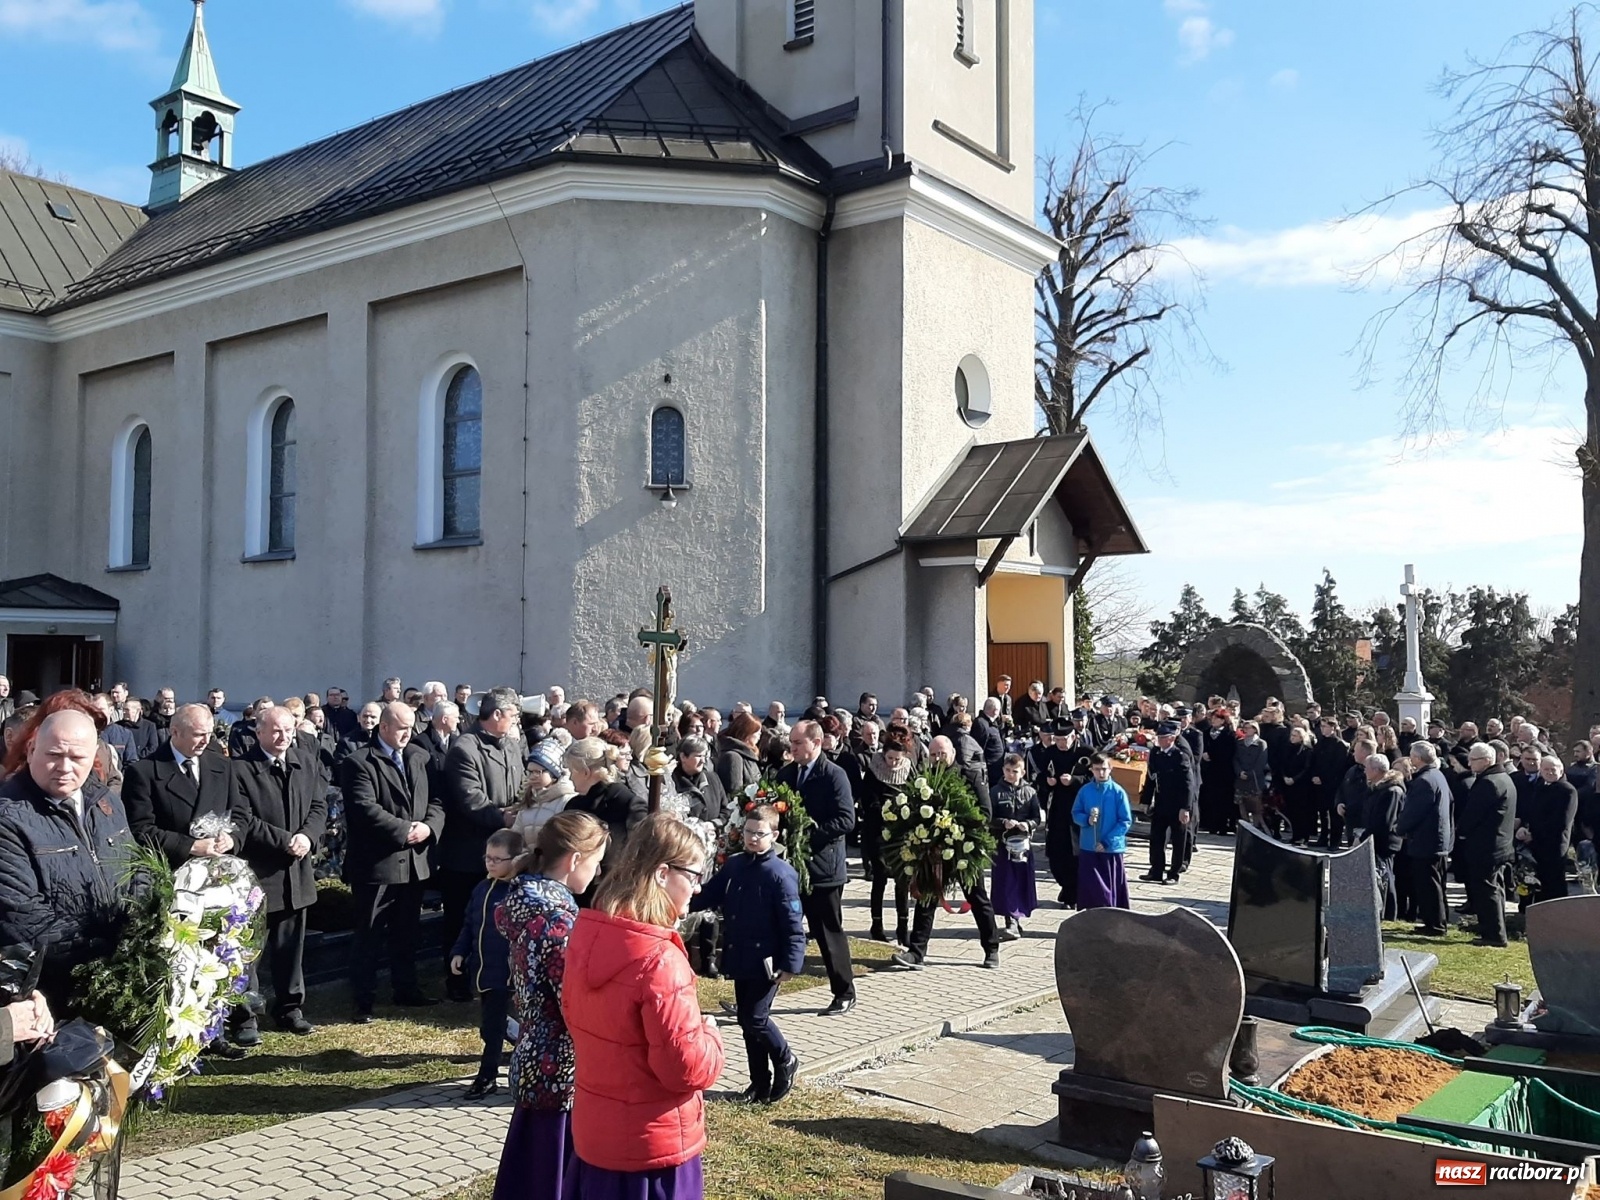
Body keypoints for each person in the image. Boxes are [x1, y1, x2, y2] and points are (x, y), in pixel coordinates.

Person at [561, 814, 725, 1199]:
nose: (698, 889)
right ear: (662, 873)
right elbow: (683, 1068)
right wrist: (711, 1038)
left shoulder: (587, 935)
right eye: (694, 876)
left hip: (594, 1136)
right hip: (653, 1149)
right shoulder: (660, 961)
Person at [493, 811, 609, 1200]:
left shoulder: (524, 904)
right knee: (554, 1173)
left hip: (532, 1050)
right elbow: (573, 1000)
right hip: (562, 1064)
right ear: (576, 859)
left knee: (528, 1169)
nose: (595, 874)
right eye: (595, 863)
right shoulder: (559, 922)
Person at [0, 708, 137, 1002]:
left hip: (121, 981)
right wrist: (107, 951)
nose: (64, 767)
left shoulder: (107, 804)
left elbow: (136, 869)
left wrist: (144, 932)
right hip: (50, 994)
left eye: (77, 758)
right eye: (53, 755)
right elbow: (22, 917)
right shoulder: (7, 818)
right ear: (32, 749)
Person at [690, 804, 805, 1105]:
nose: (753, 839)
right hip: (740, 955)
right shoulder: (736, 865)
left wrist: (791, 962)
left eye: (760, 834)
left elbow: (793, 923)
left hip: (767, 960)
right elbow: (710, 893)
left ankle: (786, 1059)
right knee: (746, 1021)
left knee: (756, 1019)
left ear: (774, 835)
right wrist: (678, 895)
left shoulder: (781, 874)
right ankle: (758, 1084)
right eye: (749, 832)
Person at [230, 706, 328, 1041]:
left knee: (291, 947)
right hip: (260, 871)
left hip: (295, 871)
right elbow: (243, 818)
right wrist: (286, 840)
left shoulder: (306, 761)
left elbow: (318, 806)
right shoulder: (241, 770)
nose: (283, 736)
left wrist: (307, 836)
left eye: (288, 730)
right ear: (258, 732)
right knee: (249, 951)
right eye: (275, 730)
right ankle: (245, 1018)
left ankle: (289, 1008)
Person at [342, 701, 444, 1021]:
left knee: (407, 932)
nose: (408, 734)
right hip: (378, 865)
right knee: (369, 934)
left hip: (415, 862)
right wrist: (404, 831)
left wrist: (428, 827)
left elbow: (438, 800)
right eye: (401, 728)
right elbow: (364, 809)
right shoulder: (359, 762)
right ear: (383, 727)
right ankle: (363, 999)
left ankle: (406, 989)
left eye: (411, 727)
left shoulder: (420, 757)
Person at [439, 687, 526, 1001]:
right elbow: (470, 799)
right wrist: (504, 818)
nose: (517, 720)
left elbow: (520, 788)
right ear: (497, 715)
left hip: (505, 851)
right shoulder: (465, 748)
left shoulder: (511, 746)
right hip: (468, 853)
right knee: (463, 918)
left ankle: (495, 978)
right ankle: (458, 981)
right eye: (513, 714)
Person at [892, 736, 1001, 971]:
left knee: (977, 898)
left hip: (962, 850)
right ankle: (916, 952)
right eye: (933, 755)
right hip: (933, 852)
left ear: (952, 753)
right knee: (927, 897)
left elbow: (984, 813)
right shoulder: (924, 780)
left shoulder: (970, 776)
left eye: (941, 754)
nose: (938, 759)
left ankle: (992, 948)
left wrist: (955, 827)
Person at [777, 721, 857, 1014]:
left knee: (827, 930)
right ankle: (758, 997)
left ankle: (844, 991)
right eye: (791, 743)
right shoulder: (786, 774)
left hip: (823, 868)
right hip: (789, 867)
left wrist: (807, 835)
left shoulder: (834, 775)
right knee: (780, 928)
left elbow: (846, 819)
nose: (792, 749)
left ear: (817, 743)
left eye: (798, 743)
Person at [452, 828, 523, 1100]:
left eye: (497, 859)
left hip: (508, 973)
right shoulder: (482, 889)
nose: (490, 863)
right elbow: (470, 924)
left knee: (492, 1029)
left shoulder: (519, 891)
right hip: (483, 970)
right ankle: (523, 1043)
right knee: (490, 1026)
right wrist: (459, 951)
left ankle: (487, 1076)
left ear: (515, 860)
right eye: (487, 858)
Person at [123, 703, 236, 868]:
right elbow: (140, 828)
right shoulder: (143, 772)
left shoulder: (222, 765)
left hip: (217, 869)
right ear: (175, 732)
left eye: (209, 734)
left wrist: (231, 839)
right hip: (171, 872)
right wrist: (190, 846)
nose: (205, 741)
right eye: (198, 735)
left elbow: (240, 811)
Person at [1456, 741, 1517, 947]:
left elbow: (1473, 815)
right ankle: (1495, 931)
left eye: (1473, 760)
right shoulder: (1504, 778)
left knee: (1486, 890)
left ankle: (1493, 935)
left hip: (1486, 846)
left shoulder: (1489, 782)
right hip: (1500, 844)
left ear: (1487, 761)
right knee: (1494, 888)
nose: (1469, 763)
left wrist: (1461, 832)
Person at [859, 724, 914, 947]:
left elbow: (915, 795)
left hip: (901, 833)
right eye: (890, 758)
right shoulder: (875, 768)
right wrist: (883, 809)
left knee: (903, 879)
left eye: (897, 759)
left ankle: (903, 927)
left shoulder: (909, 768)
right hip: (877, 830)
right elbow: (866, 799)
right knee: (880, 877)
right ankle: (877, 924)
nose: (893, 763)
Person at [564, 737, 650, 870]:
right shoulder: (573, 805)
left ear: (586, 772)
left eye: (571, 771)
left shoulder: (626, 801)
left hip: (616, 883)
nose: (570, 778)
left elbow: (642, 850)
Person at [1399, 741, 1454, 937]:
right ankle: (1435, 921)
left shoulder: (1424, 781)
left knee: (1429, 884)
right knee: (1433, 883)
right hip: (1437, 839)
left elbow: (1415, 812)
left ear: (1417, 758)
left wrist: (1400, 828)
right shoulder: (1437, 775)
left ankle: (1436, 924)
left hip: (1426, 840)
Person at [1071, 754, 1132, 910]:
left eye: (1104, 769)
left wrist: (1107, 842)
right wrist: (1086, 820)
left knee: (1108, 892)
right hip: (1088, 846)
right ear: (1091, 770)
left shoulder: (1118, 792)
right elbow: (1075, 812)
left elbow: (1124, 821)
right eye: (1097, 769)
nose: (1101, 773)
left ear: (1110, 769)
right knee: (1091, 889)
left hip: (1110, 850)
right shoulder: (1085, 791)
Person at [990, 754, 1041, 938]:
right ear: (1003, 770)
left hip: (1023, 845)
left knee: (1021, 882)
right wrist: (1003, 822)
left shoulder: (1030, 792)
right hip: (1002, 845)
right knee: (1006, 883)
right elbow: (988, 818)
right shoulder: (995, 791)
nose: (1011, 774)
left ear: (1023, 772)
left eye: (1015, 771)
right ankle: (1010, 919)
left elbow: (1037, 817)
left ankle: (1018, 916)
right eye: (1008, 771)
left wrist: (1028, 825)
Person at [1140, 721, 1195, 884]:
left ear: (1171, 739)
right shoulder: (1156, 753)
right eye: (1159, 737)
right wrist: (1145, 800)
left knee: (1178, 840)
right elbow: (1151, 779)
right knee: (1156, 838)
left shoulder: (1180, 756)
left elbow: (1187, 784)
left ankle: (1173, 874)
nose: (1159, 740)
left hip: (1177, 804)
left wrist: (1185, 808)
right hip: (1161, 802)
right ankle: (1156, 870)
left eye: (1163, 737)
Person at [1354, 753, 1406, 920]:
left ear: (1376, 770)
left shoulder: (1392, 791)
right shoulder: (1378, 788)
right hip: (1375, 837)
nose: (1365, 772)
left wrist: (1363, 838)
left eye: (1367, 768)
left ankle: (1390, 913)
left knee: (1386, 876)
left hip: (1385, 841)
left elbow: (1384, 822)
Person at [1522, 755, 1579, 903]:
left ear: (1561, 770)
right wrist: (1525, 827)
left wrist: (1534, 835)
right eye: (1545, 769)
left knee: (1553, 884)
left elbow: (1560, 822)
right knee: (1538, 883)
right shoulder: (1541, 786)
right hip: (1536, 843)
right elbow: (1532, 812)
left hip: (1554, 844)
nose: (1549, 772)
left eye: (1553, 769)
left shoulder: (1567, 791)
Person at [510, 740, 575, 847]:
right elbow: (516, 836)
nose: (532, 777)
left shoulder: (566, 801)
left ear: (554, 774)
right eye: (530, 772)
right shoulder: (530, 799)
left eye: (537, 772)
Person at [1310, 716, 1352, 847]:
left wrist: (1323, 778)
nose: (1322, 729)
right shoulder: (1320, 743)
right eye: (1321, 726)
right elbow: (1314, 762)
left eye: (1325, 726)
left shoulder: (1340, 745)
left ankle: (1335, 840)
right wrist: (1314, 775)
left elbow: (1338, 766)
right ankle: (1323, 837)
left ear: (1333, 728)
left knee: (1334, 814)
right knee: (1322, 813)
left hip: (1333, 784)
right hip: (1319, 784)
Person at [669, 737, 729, 827]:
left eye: (704, 756)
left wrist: (714, 824)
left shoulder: (713, 779)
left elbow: (726, 810)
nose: (703, 761)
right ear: (683, 757)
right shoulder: (672, 782)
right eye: (699, 756)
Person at [1198, 709, 1237, 834]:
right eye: (1212, 718)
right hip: (1208, 771)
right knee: (1208, 797)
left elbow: (1228, 752)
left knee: (1223, 799)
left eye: (1216, 718)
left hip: (1223, 772)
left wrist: (1213, 755)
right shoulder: (1206, 733)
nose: (1213, 720)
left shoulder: (1230, 734)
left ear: (1223, 720)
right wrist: (1203, 754)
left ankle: (1222, 825)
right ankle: (1209, 824)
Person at [714, 711, 763, 799]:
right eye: (757, 732)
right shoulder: (733, 757)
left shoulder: (748, 754)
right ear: (747, 733)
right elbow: (734, 791)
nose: (760, 735)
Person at [1233, 721, 1270, 829]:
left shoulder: (1261, 743)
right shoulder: (1239, 743)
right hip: (1241, 780)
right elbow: (1235, 759)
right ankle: (1245, 827)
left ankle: (1256, 827)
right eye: (1245, 728)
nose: (1246, 730)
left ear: (1255, 729)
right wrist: (1239, 772)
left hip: (1255, 780)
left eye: (1249, 728)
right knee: (1242, 805)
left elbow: (1261, 762)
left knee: (1256, 807)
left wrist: (1250, 774)